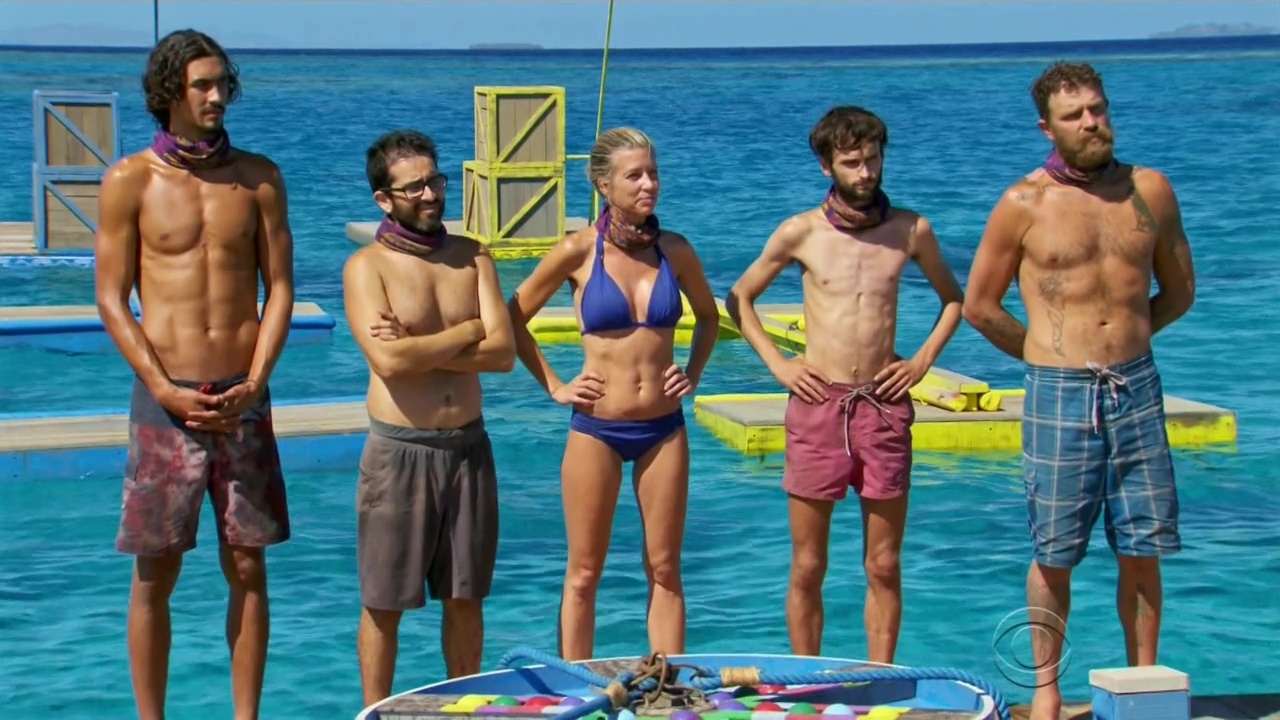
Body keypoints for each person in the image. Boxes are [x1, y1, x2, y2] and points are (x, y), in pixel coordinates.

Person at [961, 61, 1195, 720]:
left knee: (1143, 546)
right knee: (1054, 552)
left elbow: (1179, 290)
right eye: (1075, 115)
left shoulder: (1151, 191)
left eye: (1098, 108)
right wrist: (1046, 354)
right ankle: (1046, 694)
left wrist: (1129, 338)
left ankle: (1144, 683)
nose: (1091, 123)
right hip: (1058, 392)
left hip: (1136, 385)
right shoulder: (1023, 204)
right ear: (1048, 127)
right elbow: (980, 306)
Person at [93, 29, 294, 720]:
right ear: (169, 92)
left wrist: (256, 380)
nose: (216, 97)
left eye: (221, 84)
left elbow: (281, 289)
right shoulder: (131, 181)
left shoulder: (259, 178)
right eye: (202, 85)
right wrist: (161, 387)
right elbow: (111, 297)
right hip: (165, 403)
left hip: (243, 397)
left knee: (249, 565)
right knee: (155, 572)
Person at [726, 106, 964, 664]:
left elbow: (954, 299)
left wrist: (922, 361)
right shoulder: (801, 232)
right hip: (819, 405)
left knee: (883, 563)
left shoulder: (910, 230)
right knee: (809, 563)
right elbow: (740, 298)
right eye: (852, 163)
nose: (866, 172)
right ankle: (808, 676)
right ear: (826, 166)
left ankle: (881, 673)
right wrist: (779, 366)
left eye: (873, 160)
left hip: (883, 406)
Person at [507, 127, 720, 661]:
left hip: (664, 428)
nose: (649, 184)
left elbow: (710, 317)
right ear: (604, 184)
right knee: (584, 571)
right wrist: (556, 385)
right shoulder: (578, 251)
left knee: (665, 567)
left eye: (653, 173)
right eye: (635, 175)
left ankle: (669, 681)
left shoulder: (675, 250)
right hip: (596, 429)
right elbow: (512, 318)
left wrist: (693, 373)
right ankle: (574, 684)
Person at [343, 129, 516, 706]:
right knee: (384, 601)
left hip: (469, 448)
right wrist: (470, 329)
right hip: (400, 451)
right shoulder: (367, 268)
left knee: (466, 595)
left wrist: (425, 345)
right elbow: (389, 361)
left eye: (435, 181)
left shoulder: (473, 256)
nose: (430, 194)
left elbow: (503, 354)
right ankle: (374, 711)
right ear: (383, 199)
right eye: (413, 187)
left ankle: (463, 707)